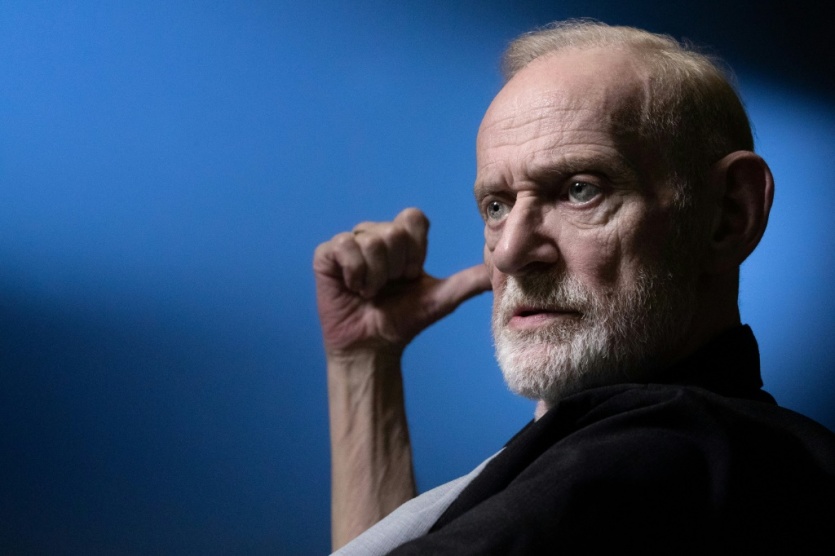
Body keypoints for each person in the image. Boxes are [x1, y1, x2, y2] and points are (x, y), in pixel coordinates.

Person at [313, 20, 835, 554]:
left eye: (580, 190)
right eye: (497, 206)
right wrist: (363, 361)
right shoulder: (726, 457)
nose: (510, 253)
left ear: (729, 214)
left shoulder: (657, 456)